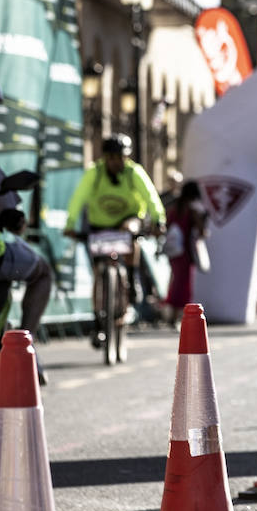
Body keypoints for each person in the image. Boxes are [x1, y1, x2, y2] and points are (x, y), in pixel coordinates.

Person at [0, 69, 54, 389]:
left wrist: (12, 218)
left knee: (36, 272)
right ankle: (27, 346)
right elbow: (10, 212)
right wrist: (12, 219)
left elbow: (8, 210)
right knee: (40, 274)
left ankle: (20, 347)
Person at [64, 133, 166, 355]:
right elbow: (78, 198)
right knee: (98, 272)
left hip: (127, 221)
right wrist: (70, 224)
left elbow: (151, 197)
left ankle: (131, 276)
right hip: (99, 226)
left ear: (126, 158)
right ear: (105, 158)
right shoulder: (94, 173)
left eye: (120, 158)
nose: (116, 162)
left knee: (130, 232)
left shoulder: (133, 173)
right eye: (111, 158)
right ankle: (98, 316)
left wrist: (159, 220)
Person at [163, 181, 208, 315]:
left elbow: (167, 225)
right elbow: (202, 231)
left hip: (173, 250)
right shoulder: (193, 210)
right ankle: (179, 315)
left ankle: (171, 312)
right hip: (186, 251)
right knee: (184, 284)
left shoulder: (174, 208)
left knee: (175, 281)